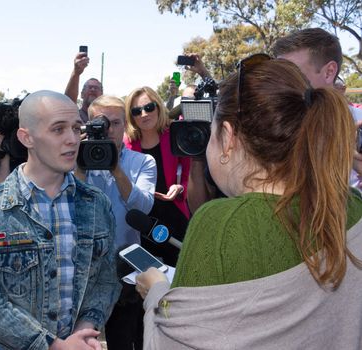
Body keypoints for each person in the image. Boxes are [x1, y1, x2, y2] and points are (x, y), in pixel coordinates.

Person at [135, 56, 362, 349]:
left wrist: (157, 292)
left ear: (228, 138)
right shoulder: (351, 203)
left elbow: (177, 340)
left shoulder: (221, 224)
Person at [0, 90, 121, 350]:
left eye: (75, 128)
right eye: (58, 130)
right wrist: (53, 345)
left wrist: (85, 328)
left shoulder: (96, 204)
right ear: (27, 137)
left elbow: (105, 278)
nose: (72, 139)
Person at [74, 95, 156, 350]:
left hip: (127, 268)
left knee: (124, 341)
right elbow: (69, 207)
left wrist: (115, 168)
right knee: (81, 342)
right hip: (83, 269)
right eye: (101, 123)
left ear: (125, 126)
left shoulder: (143, 162)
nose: (108, 130)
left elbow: (143, 207)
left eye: (115, 123)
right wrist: (79, 165)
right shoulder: (74, 159)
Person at [273, 27, 362, 188]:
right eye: (278, 74)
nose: (281, 84)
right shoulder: (273, 126)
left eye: (292, 73)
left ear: (329, 72)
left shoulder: (359, 124)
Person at [124, 86, 191, 266]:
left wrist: (180, 187)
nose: (144, 114)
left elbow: (188, 175)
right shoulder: (127, 144)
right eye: (137, 111)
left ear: (158, 107)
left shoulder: (175, 135)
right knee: (145, 276)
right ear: (132, 116)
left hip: (174, 215)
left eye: (149, 107)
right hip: (141, 221)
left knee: (179, 270)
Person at [64, 51, 103, 122]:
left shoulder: (107, 118)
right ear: (82, 94)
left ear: (102, 95)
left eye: (96, 88)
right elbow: (68, 102)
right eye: (89, 87)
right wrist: (76, 73)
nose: (93, 90)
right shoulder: (75, 116)